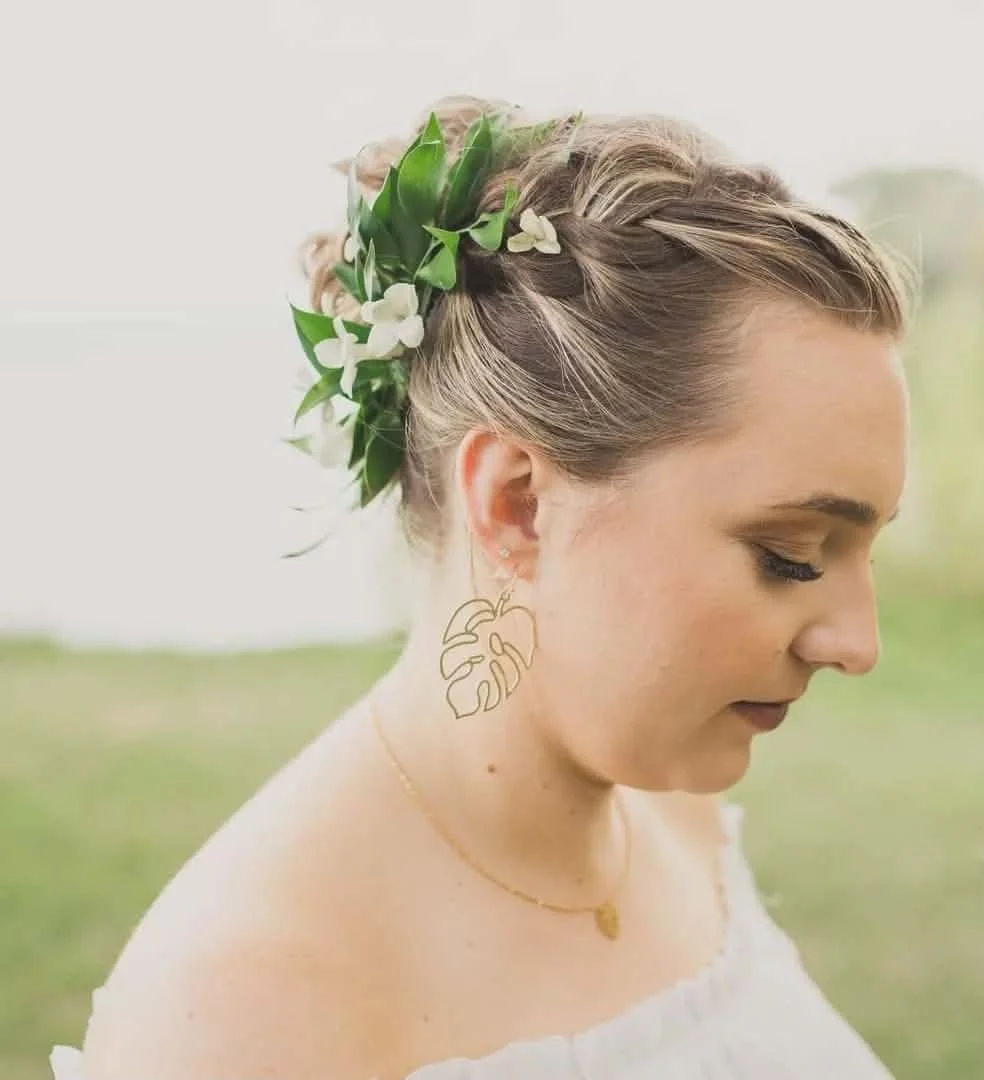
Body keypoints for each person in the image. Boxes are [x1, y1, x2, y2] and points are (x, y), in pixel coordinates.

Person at [51, 95, 912, 1079]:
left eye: (868, 548)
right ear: (516, 504)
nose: (857, 642)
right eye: (792, 554)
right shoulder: (240, 1016)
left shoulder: (678, 826)